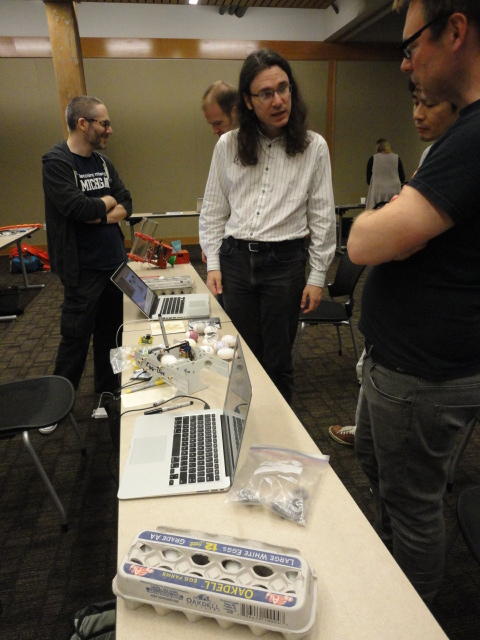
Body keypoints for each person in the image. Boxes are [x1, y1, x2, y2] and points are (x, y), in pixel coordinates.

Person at [347, 0, 480, 603]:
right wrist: (398, 223)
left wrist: (387, 221)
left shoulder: (471, 138)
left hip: (424, 375)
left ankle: (409, 616)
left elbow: (363, 242)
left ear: (455, 31)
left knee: (415, 504)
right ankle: (394, 573)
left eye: (410, 45)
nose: (405, 64)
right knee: (384, 474)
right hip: (404, 365)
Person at [199, 49, 336, 403]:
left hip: (284, 264)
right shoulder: (228, 144)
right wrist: (213, 262)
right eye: (266, 93)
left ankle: (281, 434)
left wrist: (317, 276)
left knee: (277, 362)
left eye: (283, 88)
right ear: (248, 101)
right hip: (235, 260)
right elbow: (213, 209)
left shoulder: (314, 147)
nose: (278, 100)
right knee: (240, 356)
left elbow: (322, 216)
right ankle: (245, 425)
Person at [329, 85, 458, 447]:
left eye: (429, 103)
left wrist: (385, 224)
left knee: (403, 457)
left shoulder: (453, 157)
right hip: (392, 322)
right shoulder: (431, 154)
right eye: (415, 103)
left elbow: (369, 241)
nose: (417, 113)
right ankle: (366, 433)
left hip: (422, 328)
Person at [43, 95, 132, 413]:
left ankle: (109, 391)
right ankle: (55, 407)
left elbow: (127, 200)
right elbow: (77, 208)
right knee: (75, 339)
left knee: (113, 334)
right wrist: (107, 202)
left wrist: (101, 213)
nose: (110, 129)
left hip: (114, 265)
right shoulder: (57, 162)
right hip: (82, 270)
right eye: (104, 123)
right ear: (83, 123)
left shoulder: (103, 163)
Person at [365, 138, 405, 209]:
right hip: (394, 190)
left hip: (378, 191)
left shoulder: (373, 159)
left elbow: (368, 180)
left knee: (376, 210)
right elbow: (402, 177)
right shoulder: (396, 158)